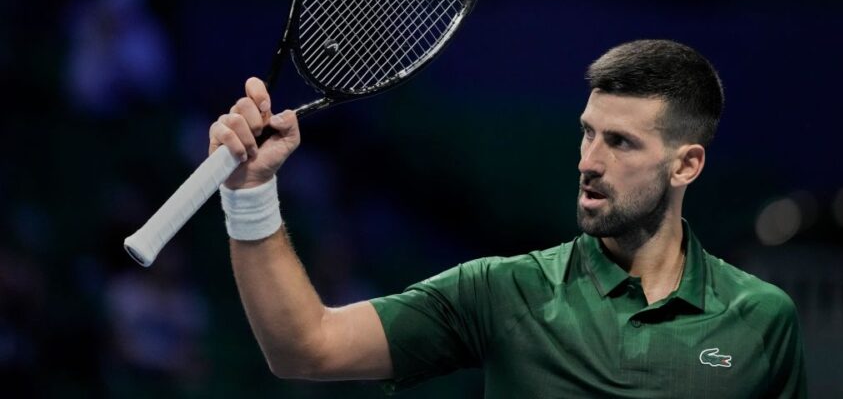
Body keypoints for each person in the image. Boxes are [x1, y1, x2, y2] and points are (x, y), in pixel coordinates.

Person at [210, 39, 807, 397]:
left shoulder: (760, 319)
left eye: (621, 143)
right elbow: (305, 348)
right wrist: (251, 191)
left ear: (687, 165)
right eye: (587, 134)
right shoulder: (502, 292)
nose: (589, 162)